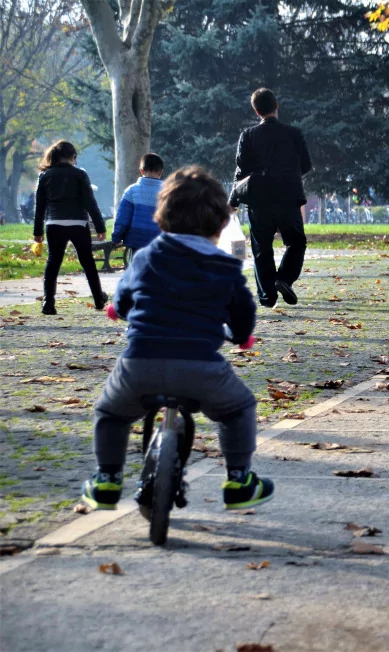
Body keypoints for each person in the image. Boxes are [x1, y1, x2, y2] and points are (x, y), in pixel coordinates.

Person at [82, 165, 274, 512]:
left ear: (162, 218)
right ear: (219, 224)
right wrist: (243, 337)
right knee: (239, 408)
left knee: (109, 413)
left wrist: (116, 310)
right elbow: (243, 311)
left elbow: (123, 299)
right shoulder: (225, 266)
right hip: (201, 368)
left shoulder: (146, 257)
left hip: (140, 365)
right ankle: (239, 479)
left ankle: (107, 479)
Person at [230, 88, 312, 308]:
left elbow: (241, 171)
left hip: (259, 200)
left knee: (262, 247)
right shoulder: (295, 134)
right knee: (296, 242)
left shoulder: (247, 136)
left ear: (257, 111)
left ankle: (267, 296)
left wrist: (233, 202)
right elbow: (306, 165)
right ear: (277, 106)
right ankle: (284, 279)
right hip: (288, 198)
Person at [32, 140, 107, 316]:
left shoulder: (45, 176)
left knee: (53, 262)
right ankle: (98, 298)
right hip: (78, 223)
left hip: (54, 224)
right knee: (87, 261)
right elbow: (90, 202)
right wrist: (100, 226)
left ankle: (48, 302)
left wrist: (37, 231)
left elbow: (40, 206)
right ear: (73, 157)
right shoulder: (80, 174)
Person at [111, 153, 165, 259]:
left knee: (137, 270)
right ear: (161, 171)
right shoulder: (168, 192)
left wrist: (116, 237)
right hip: (160, 239)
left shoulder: (131, 191)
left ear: (141, 171)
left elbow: (122, 218)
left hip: (137, 239)